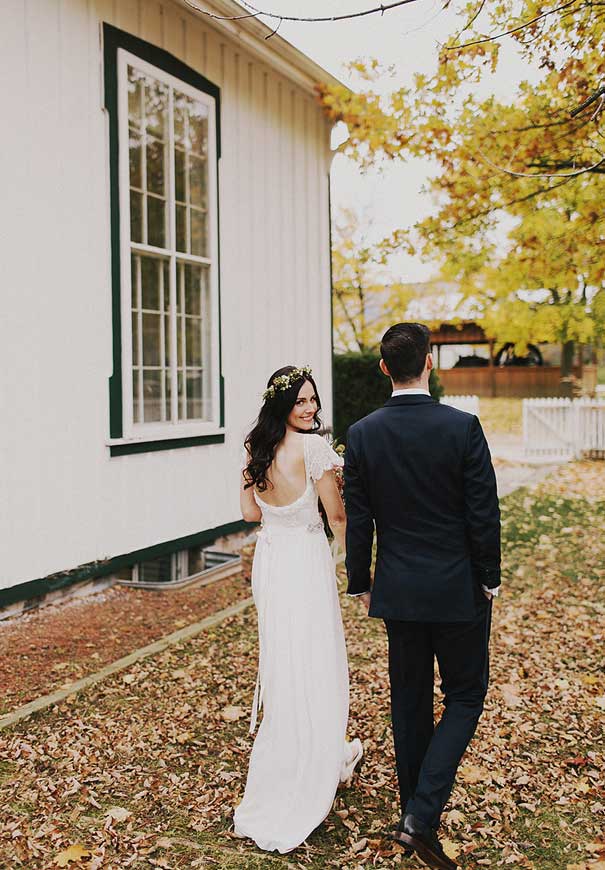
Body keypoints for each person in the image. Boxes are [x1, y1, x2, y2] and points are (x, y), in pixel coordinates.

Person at [344, 323, 501, 870]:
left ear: (384, 368)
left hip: (400, 591)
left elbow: (359, 518)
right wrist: (489, 575)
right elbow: (483, 510)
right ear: (429, 363)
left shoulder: (362, 434)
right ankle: (420, 816)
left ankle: (415, 817)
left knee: (409, 701)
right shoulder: (462, 427)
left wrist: (361, 581)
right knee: (465, 695)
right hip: (458, 588)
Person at [233, 365, 363, 854]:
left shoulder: (256, 449)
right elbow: (337, 516)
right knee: (315, 656)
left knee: (286, 658)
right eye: (300, 401)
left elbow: (250, 513)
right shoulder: (314, 449)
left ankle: (302, 750)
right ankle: (317, 758)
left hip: (271, 560)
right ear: (282, 405)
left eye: (312, 399)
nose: (310, 408)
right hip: (305, 561)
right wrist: (358, 570)